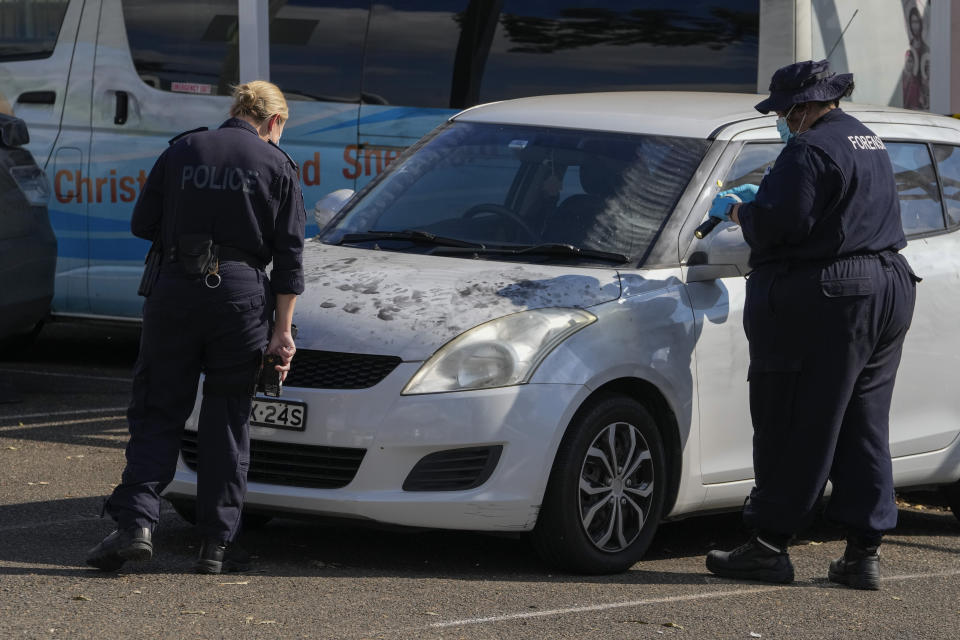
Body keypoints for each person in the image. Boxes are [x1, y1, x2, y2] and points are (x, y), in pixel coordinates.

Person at [703, 60, 920, 589]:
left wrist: (739, 213)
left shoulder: (808, 147)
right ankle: (862, 552)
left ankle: (769, 545)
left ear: (802, 107)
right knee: (863, 422)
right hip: (887, 283)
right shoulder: (866, 139)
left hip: (830, 295)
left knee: (795, 416)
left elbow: (781, 227)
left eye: (783, 111)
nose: (781, 120)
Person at [86, 81, 306, 574]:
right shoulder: (279, 165)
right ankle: (216, 546)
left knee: (158, 408)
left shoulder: (184, 148)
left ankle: (136, 526)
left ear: (235, 111)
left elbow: (143, 224)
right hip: (242, 299)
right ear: (273, 121)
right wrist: (282, 331)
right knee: (227, 420)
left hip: (174, 291)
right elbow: (290, 258)